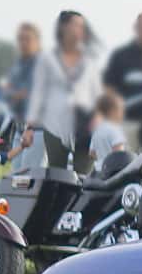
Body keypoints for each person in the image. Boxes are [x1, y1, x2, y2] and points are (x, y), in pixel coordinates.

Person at [19, 10, 103, 171]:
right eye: (76, 25)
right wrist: (29, 129)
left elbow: (97, 97)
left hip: (84, 129)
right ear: (64, 28)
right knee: (56, 176)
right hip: (54, 127)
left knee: (83, 181)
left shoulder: (90, 60)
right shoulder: (47, 59)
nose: (80, 30)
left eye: (82, 26)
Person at [3, 22, 41, 118]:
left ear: (37, 41)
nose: (23, 43)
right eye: (20, 39)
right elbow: (6, 93)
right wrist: (16, 95)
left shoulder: (43, 66)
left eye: (27, 39)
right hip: (18, 122)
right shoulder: (16, 66)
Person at [88, 88, 129, 158]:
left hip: (99, 168)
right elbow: (119, 153)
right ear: (112, 111)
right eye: (121, 110)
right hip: (114, 167)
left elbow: (92, 153)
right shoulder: (116, 129)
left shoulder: (97, 129)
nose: (123, 113)